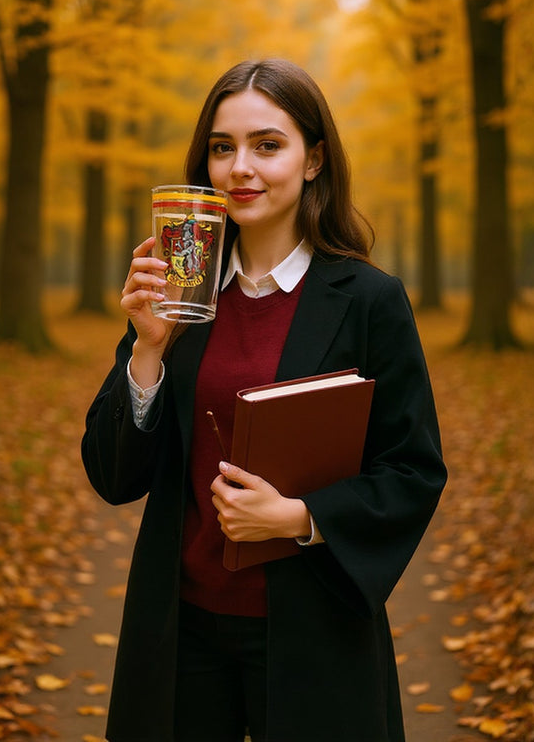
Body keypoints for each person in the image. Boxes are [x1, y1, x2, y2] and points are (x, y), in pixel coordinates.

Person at [81, 58, 447, 742]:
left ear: (313, 159)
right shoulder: (182, 292)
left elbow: (413, 471)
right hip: (180, 633)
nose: (240, 167)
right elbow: (113, 475)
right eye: (223, 147)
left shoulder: (369, 301)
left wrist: (299, 516)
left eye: (266, 145)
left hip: (316, 637)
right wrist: (148, 350)